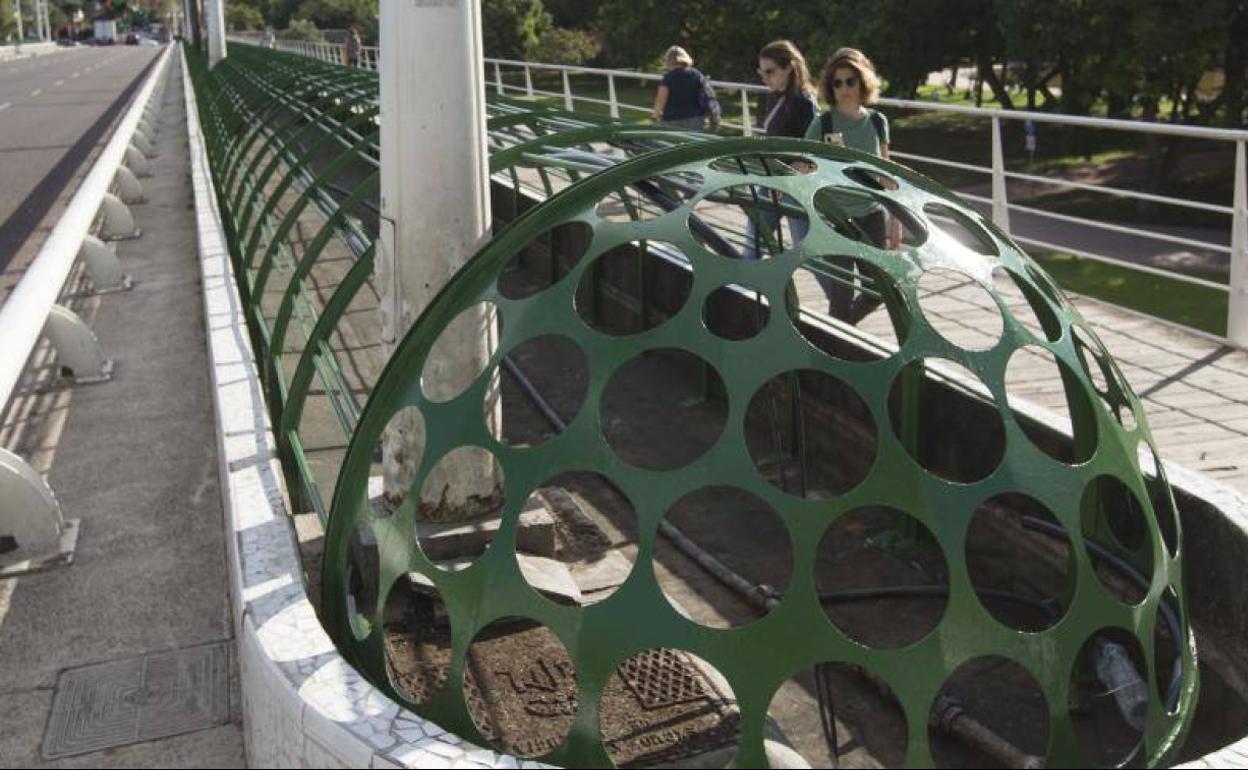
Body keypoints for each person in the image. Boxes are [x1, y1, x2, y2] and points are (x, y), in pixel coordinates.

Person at [805, 47, 899, 250]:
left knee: (874, 281)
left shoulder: (877, 121)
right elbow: (803, 166)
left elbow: (886, 173)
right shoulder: (822, 124)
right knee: (840, 282)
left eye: (850, 81)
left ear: (863, 82)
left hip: (872, 214)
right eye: (837, 83)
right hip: (834, 217)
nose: (844, 88)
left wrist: (896, 221)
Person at [742, 40, 818, 260]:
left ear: (788, 68)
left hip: (795, 188)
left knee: (809, 256)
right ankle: (741, 289)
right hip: (772, 182)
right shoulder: (774, 96)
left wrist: (786, 180)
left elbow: (813, 153)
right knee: (753, 243)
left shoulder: (803, 103)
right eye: (761, 72)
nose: (765, 78)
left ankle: (840, 294)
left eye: (770, 72)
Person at [650, 46, 708, 130]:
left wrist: (654, 118)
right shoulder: (697, 75)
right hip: (696, 119)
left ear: (669, 60)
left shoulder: (669, 77)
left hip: (673, 119)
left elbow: (661, 100)